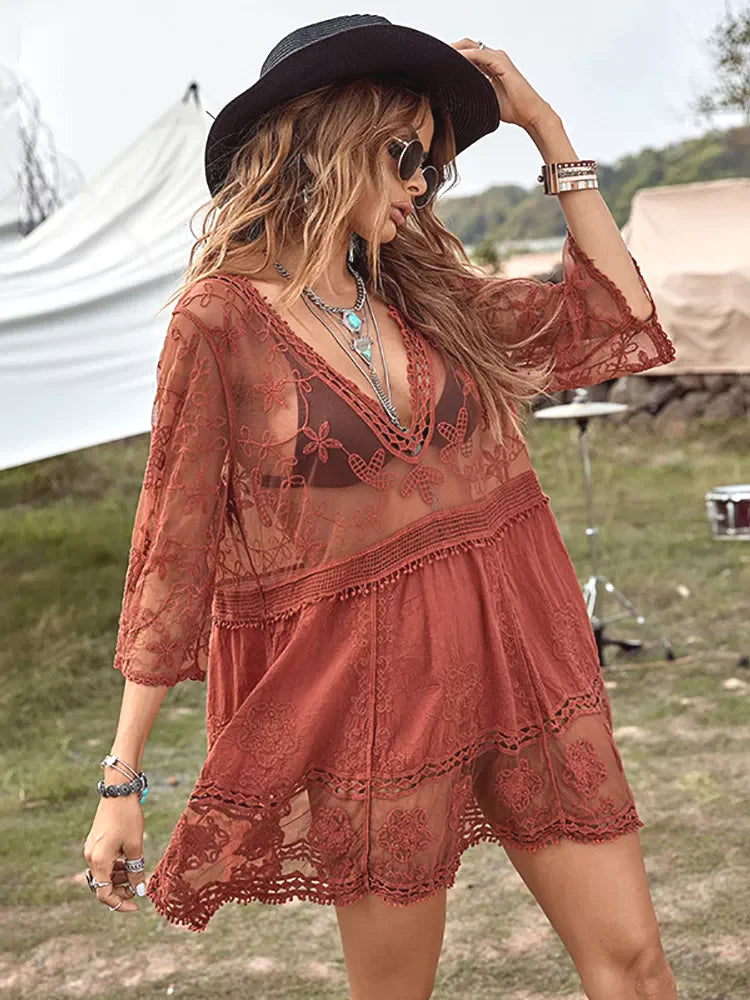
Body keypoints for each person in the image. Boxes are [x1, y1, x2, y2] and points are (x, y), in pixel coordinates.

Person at [82, 14, 680, 1000]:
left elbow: (615, 312)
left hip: (522, 661)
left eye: (432, 168)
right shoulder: (220, 320)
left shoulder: (427, 297)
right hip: (375, 707)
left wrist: (547, 127)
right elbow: (172, 551)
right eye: (406, 156)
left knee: (637, 967)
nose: (420, 184)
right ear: (327, 138)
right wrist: (122, 779)